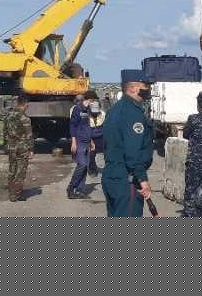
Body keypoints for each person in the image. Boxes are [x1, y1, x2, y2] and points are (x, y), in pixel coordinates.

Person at [101, 70, 154, 217]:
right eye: (145, 86)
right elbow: (133, 152)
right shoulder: (133, 112)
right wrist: (142, 179)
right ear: (133, 88)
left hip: (111, 175)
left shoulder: (115, 109)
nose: (148, 89)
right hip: (127, 179)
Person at [3, 95, 34, 201]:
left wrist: (6, 145)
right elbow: (29, 135)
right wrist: (31, 150)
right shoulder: (24, 118)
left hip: (11, 146)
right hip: (22, 147)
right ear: (25, 104)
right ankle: (16, 195)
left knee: (12, 169)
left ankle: (11, 191)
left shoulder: (8, 115)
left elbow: (4, 132)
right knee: (21, 171)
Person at [66, 94, 95, 199]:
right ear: (88, 100)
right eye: (92, 101)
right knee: (82, 165)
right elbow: (72, 126)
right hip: (79, 141)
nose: (93, 103)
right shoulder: (77, 109)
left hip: (87, 141)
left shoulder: (87, 110)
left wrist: (91, 141)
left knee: (85, 166)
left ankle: (80, 190)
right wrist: (73, 142)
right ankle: (71, 187)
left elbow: (87, 126)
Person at [86, 91, 105, 176]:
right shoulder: (85, 115)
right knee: (91, 154)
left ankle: (110, 169)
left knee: (108, 152)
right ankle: (92, 169)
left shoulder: (103, 114)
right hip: (91, 137)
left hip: (101, 136)